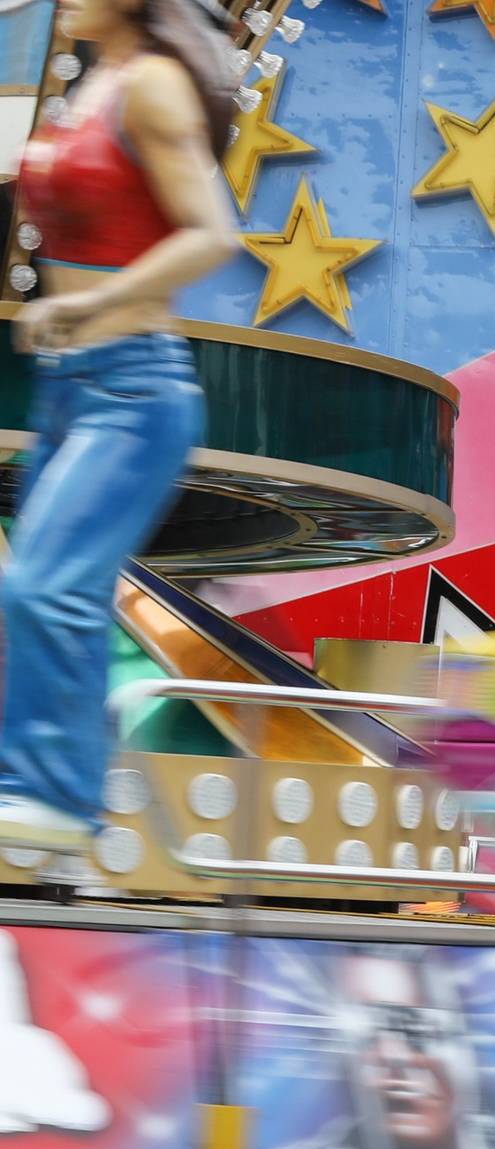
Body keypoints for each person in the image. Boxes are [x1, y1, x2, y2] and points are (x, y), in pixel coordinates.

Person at [0, 0, 239, 853]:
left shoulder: (154, 86)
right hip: (69, 386)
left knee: (44, 587)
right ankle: (43, 795)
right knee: (40, 589)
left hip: (134, 391)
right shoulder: (90, 84)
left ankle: (56, 796)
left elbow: (213, 233)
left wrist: (98, 300)